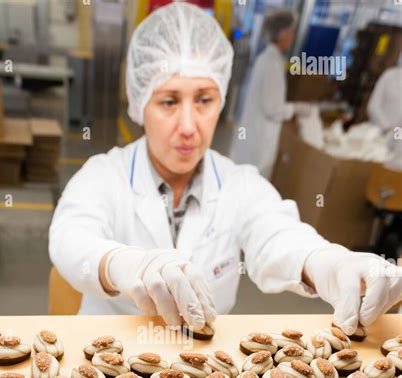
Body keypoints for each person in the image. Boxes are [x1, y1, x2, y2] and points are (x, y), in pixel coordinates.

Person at [49, 3, 401, 336]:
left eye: (204, 99)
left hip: (206, 374)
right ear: (141, 104)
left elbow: (279, 236)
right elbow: (70, 239)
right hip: (108, 363)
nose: (189, 125)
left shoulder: (240, 185)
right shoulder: (104, 174)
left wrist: (330, 263)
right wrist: (124, 265)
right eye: (169, 101)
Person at [232, 8, 311, 179]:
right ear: (282, 33)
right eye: (292, 31)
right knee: (252, 187)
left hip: (253, 137)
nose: (293, 36)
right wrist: (296, 108)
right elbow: (273, 109)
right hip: (259, 142)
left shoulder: (268, 58)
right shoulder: (271, 64)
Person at [367, 60, 402, 171]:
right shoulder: (389, 76)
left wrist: (396, 134)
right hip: (378, 136)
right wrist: (387, 127)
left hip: (398, 152)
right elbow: (373, 106)